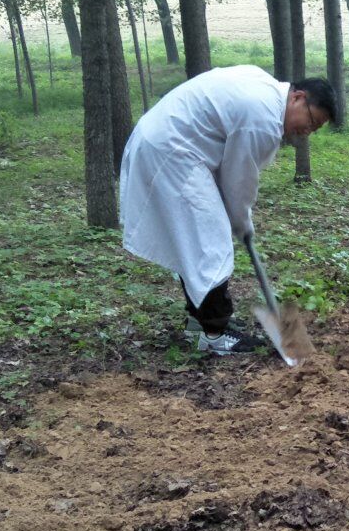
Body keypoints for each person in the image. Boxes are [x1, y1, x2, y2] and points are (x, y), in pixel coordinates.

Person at [120, 67, 336, 354]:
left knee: (195, 242)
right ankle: (214, 334)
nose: (306, 131)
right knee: (210, 244)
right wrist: (242, 223)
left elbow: (230, 168)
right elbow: (238, 181)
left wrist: (239, 218)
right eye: (311, 121)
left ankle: (199, 323)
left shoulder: (264, 89)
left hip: (167, 143)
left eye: (314, 129)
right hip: (172, 151)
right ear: (297, 97)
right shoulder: (262, 119)